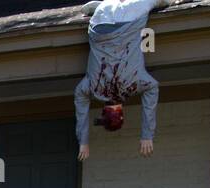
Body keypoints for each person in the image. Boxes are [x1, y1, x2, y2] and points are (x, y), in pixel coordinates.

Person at [75, 0, 175, 161]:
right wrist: (83, 142)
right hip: (100, 22)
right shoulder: (90, 88)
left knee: (161, 1)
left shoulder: (135, 85)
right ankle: (97, 6)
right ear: (103, 111)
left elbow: (153, 88)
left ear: (121, 113)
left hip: (130, 18)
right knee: (94, 7)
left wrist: (147, 136)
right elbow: (81, 111)